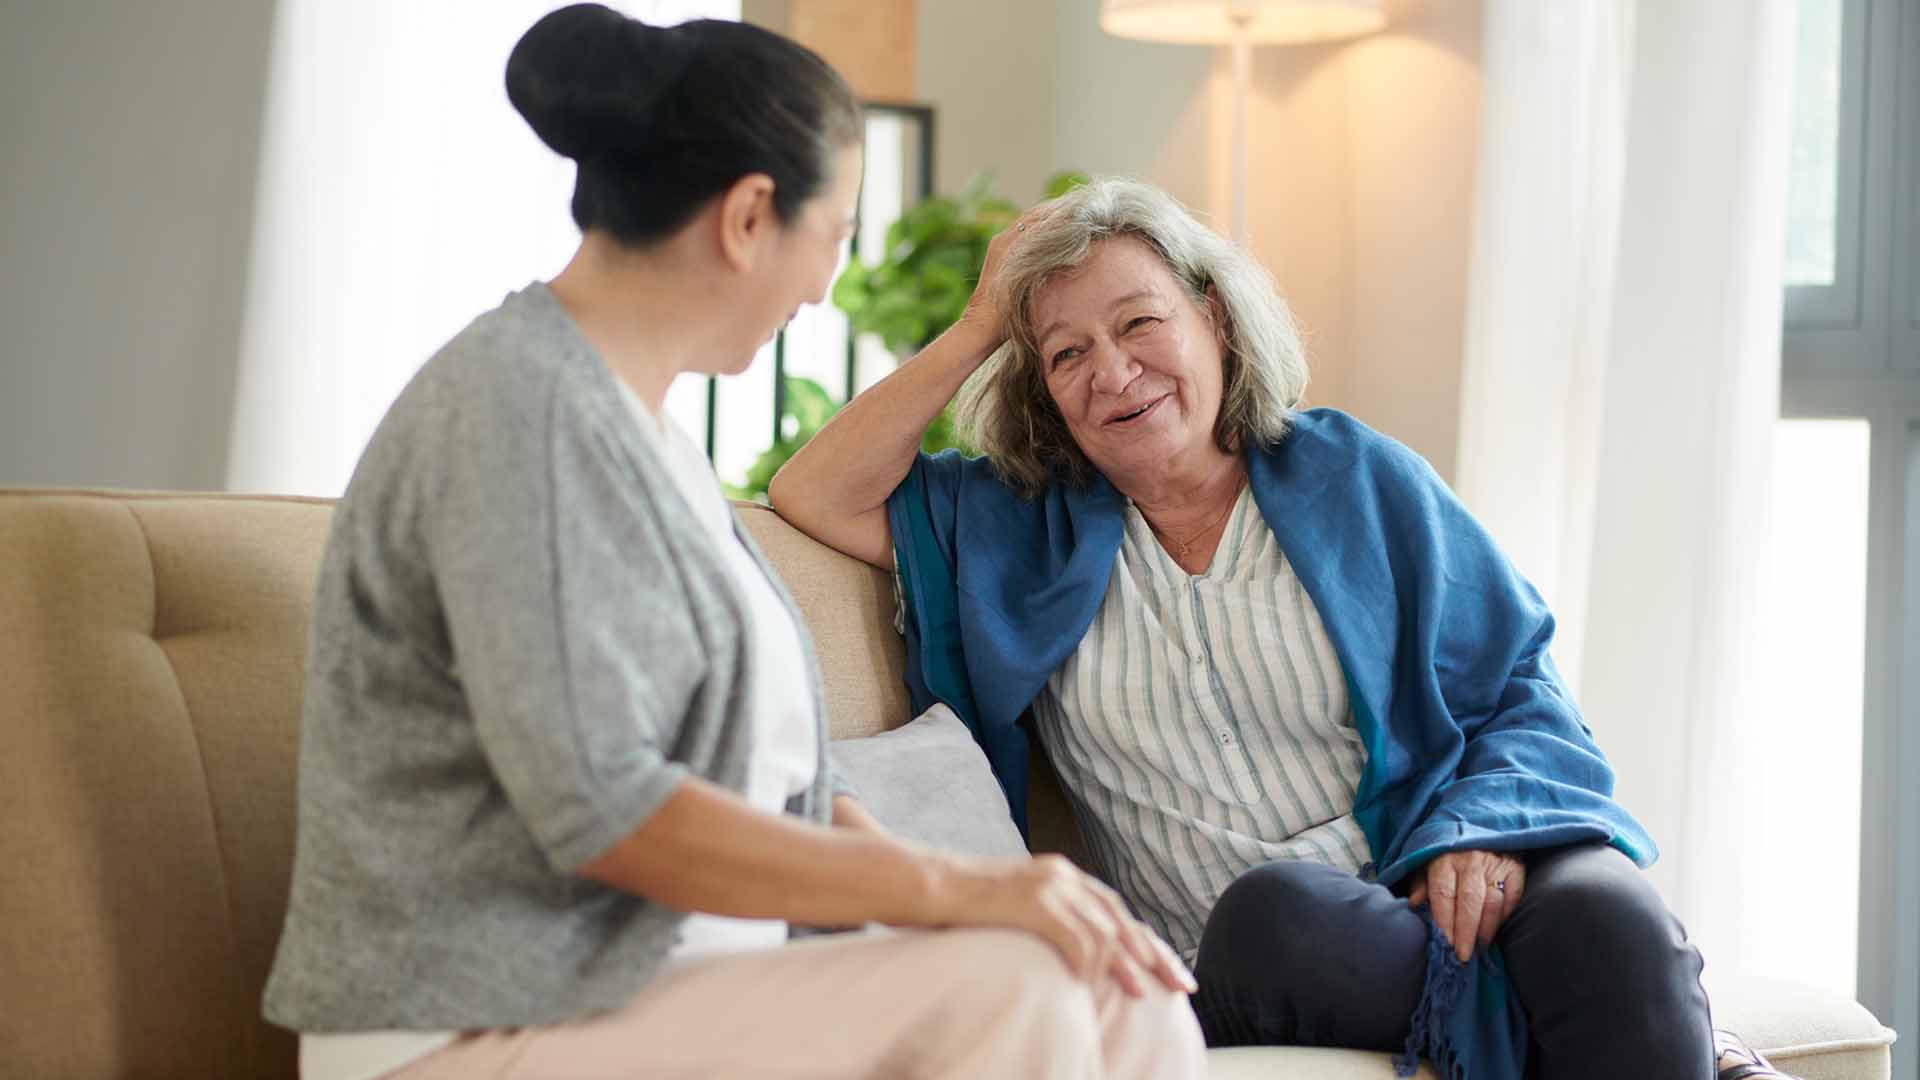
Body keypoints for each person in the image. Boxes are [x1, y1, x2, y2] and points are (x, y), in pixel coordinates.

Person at [260, 10, 1206, 1080]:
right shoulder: (516, 409)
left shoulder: (649, 439)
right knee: (1020, 986)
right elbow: (607, 812)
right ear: (751, 216)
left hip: (674, 1001)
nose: (822, 288)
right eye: (837, 235)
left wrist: (970, 899)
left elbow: (786, 790)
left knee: (1133, 995)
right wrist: (960, 893)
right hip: (484, 1019)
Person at [770, 177, 1793, 1080]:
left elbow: (1519, 686)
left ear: (1213, 318)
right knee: (1276, 917)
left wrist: (1481, 834)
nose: (1113, 371)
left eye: (1140, 324)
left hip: (1437, 874)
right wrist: (981, 323)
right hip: (1255, 949)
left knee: (1612, 915)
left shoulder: (1358, 478)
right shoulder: (1003, 525)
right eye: (1066, 352)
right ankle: (1686, 1052)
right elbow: (812, 491)